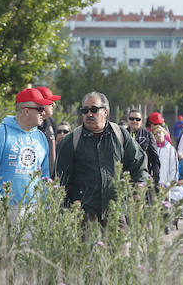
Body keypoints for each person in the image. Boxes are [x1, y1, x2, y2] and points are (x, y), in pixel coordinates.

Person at [55, 91, 148, 224]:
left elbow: (138, 162)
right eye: (85, 110)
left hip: (116, 210)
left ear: (105, 112)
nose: (89, 114)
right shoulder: (71, 141)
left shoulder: (119, 135)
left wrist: (137, 191)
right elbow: (60, 180)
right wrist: (65, 209)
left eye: (93, 109)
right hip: (84, 213)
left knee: (119, 245)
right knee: (87, 245)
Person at [0, 88, 51, 210]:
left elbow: (44, 174)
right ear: (27, 111)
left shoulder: (41, 137)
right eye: (40, 109)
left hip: (33, 209)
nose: (43, 113)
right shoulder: (1, 133)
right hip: (4, 207)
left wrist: (44, 205)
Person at [126, 109, 161, 185]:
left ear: (141, 121)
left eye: (137, 119)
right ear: (128, 119)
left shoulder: (148, 135)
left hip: (142, 176)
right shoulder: (122, 134)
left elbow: (155, 159)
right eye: (132, 118)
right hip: (125, 177)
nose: (134, 121)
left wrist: (156, 179)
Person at [35, 86, 62, 177]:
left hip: (50, 178)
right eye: (50, 101)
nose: (53, 104)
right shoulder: (30, 125)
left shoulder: (50, 122)